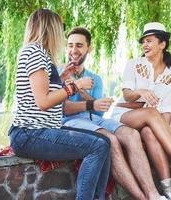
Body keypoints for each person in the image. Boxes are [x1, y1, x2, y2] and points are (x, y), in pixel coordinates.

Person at [8, 9, 110, 200]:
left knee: (105, 142)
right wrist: (75, 86)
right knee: (97, 146)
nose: (62, 35)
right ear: (50, 28)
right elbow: (43, 102)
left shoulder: (40, 54)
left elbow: (45, 91)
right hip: (30, 133)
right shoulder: (35, 52)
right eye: (60, 29)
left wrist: (61, 78)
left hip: (40, 130)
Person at [59, 27, 167, 200]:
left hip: (95, 121)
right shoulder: (59, 73)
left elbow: (98, 112)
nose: (73, 50)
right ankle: (143, 198)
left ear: (89, 48)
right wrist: (76, 86)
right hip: (70, 122)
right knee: (111, 140)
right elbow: (61, 109)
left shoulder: (96, 78)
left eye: (79, 45)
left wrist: (87, 96)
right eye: (70, 45)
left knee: (132, 134)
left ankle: (153, 194)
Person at [111, 22, 171, 199]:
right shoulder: (134, 64)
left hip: (150, 120)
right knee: (151, 113)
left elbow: (166, 109)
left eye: (149, 41)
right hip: (123, 115)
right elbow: (127, 96)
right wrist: (141, 91)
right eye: (143, 42)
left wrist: (164, 133)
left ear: (162, 44)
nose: (145, 45)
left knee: (151, 133)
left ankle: (169, 191)